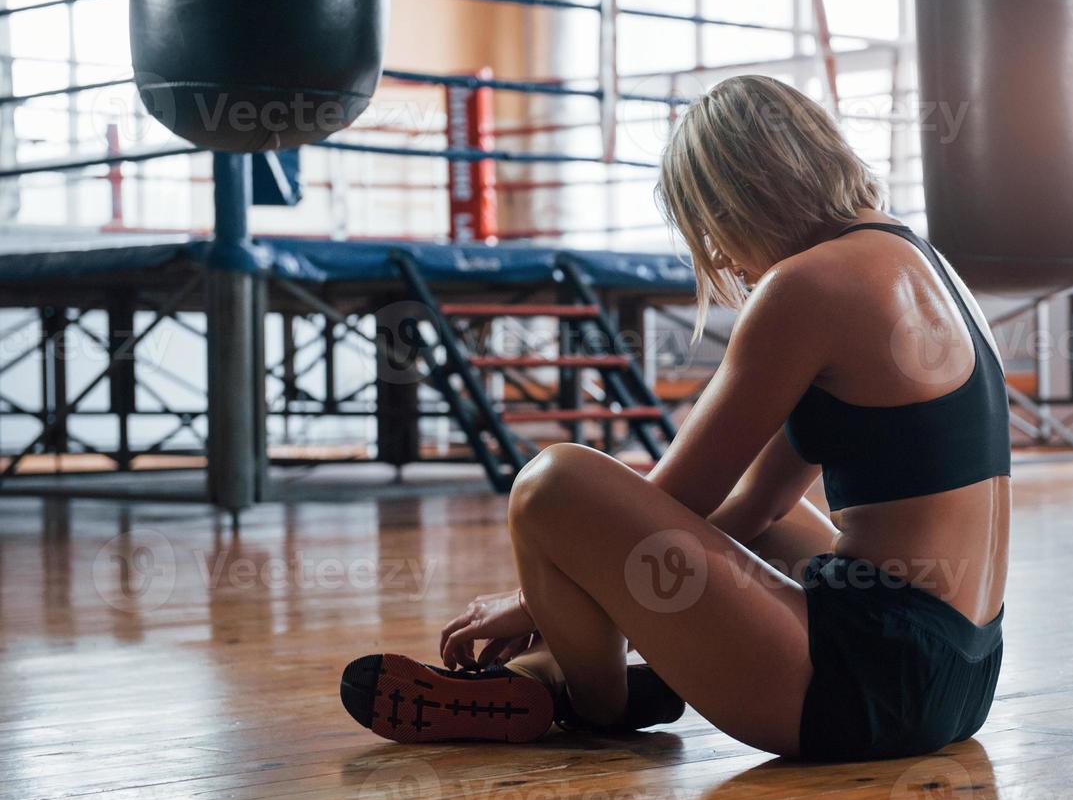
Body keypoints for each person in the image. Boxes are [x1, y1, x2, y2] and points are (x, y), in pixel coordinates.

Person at [341, 75, 1010, 760]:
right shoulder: (927, 266)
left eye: (711, 227)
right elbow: (758, 500)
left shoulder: (808, 284)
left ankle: (590, 695)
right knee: (766, 518)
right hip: (965, 674)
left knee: (553, 485)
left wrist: (535, 601)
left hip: (863, 685)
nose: (719, 256)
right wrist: (565, 599)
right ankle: (542, 677)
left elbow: (676, 499)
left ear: (745, 194)